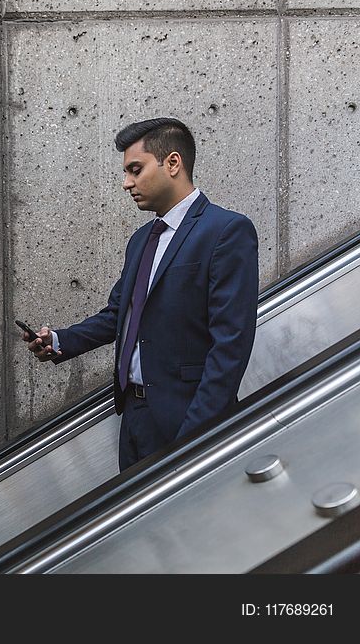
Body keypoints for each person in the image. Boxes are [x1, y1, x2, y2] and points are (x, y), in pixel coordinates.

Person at [24, 117, 258, 471]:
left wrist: (194, 436)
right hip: (134, 418)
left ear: (173, 163)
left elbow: (231, 344)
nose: (126, 183)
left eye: (135, 169)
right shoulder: (141, 241)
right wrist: (58, 340)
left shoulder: (226, 230)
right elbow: (119, 313)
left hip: (188, 420)